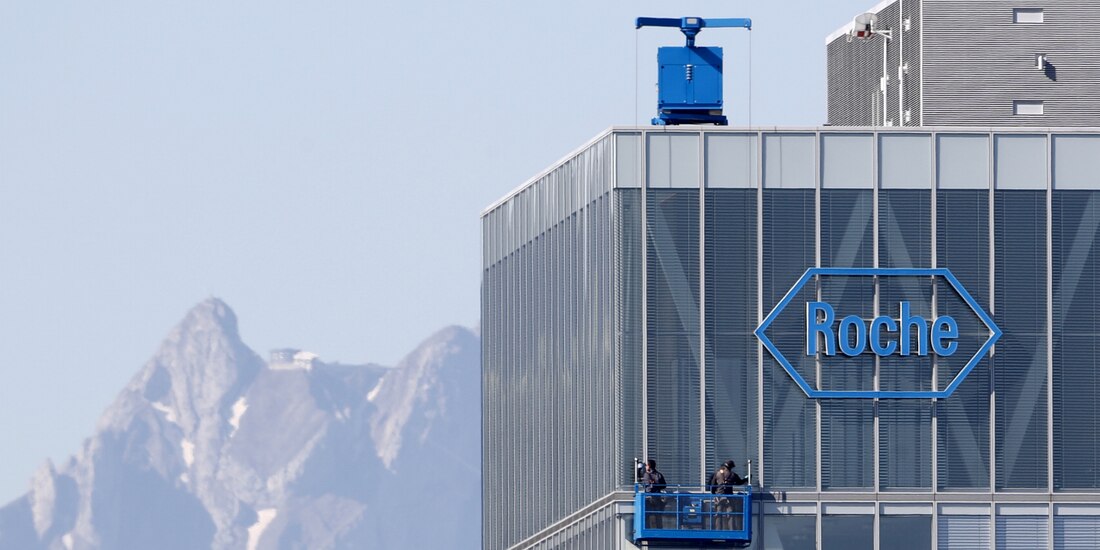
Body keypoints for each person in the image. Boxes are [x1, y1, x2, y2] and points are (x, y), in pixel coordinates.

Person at [708, 460, 746, 529]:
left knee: (718, 513)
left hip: (719, 497)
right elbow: (739, 482)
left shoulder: (717, 474)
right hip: (729, 497)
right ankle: (731, 529)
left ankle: (718, 530)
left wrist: (714, 494)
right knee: (730, 513)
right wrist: (746, 479)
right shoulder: (732, 475)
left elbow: (712, 486)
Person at [641, 459, 667, 528]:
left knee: (647, 514)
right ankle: (659, 528)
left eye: (646, 465)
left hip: (649, 497)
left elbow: (645, 485)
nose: (646, 467)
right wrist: (657, 485)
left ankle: (648, 528)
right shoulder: (658, 474)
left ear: (649, 466)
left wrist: (653, 484)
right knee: (658, 515)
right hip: (657, 497)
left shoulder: (646, 475)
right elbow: (664, 485)